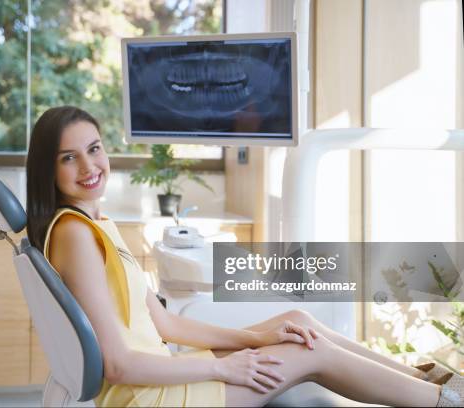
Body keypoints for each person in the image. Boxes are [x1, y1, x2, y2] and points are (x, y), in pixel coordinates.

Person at [26, 106, 462, 407]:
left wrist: (256, 338)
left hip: (154, 375)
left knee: (299, 321)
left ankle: (422, 379)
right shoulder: (75, 235)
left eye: (95, 148)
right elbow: (119, 365)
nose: (89, 166)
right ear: (50, 168)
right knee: (314, 353)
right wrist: (225, 368)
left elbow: (166, 324)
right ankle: (441, 402)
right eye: (69, 157)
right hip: (147, 397)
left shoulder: (95, 224)